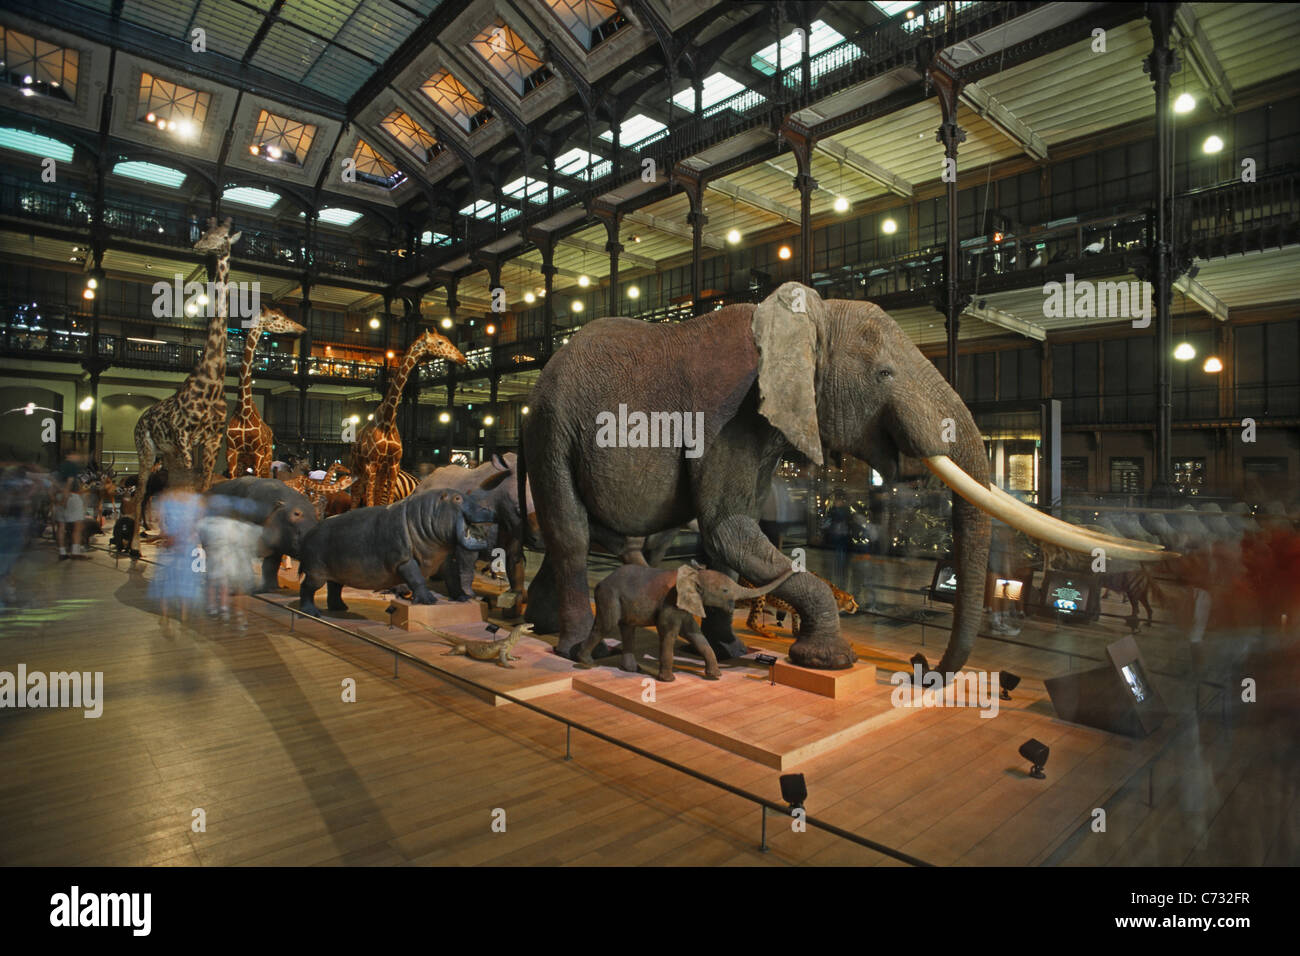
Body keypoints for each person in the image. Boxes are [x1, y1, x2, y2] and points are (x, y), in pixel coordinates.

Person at [148, 474, 206, 636]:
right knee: (187, 580)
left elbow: (160, 522)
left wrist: (168, 536)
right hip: (189, 544)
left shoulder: (166, 498)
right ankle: (184, 615)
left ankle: (165, 616)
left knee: (166, 579)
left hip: (170, 543)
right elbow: (197, 523)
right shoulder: (197, 500)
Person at [824, 490, 852, 588]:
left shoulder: (835, 511)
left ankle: (837, 585)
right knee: (839, 564)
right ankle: (839, 584)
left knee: (837, 563)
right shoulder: (845, 510)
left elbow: (827, 524)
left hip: (838, 539)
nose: (836, 502)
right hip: (840, 539)